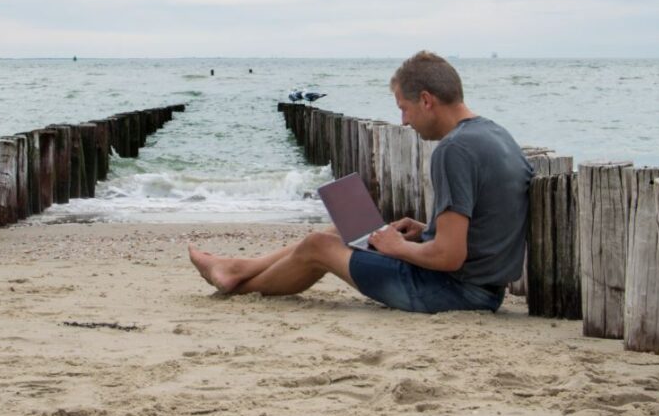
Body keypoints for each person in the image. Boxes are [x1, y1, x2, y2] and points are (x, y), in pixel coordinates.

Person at [189, 50, 532, 313]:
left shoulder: (453, 150)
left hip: (453, 293)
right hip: (484, 288)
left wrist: (399, 248)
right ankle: (237, 268)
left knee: (316, 246)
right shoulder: (496, 135)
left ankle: (237, 287)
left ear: (426, 100)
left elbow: (449, 257)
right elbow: (483, 228)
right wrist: (424, 230)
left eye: (404, 108)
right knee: (343, 230)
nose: (404, 120)